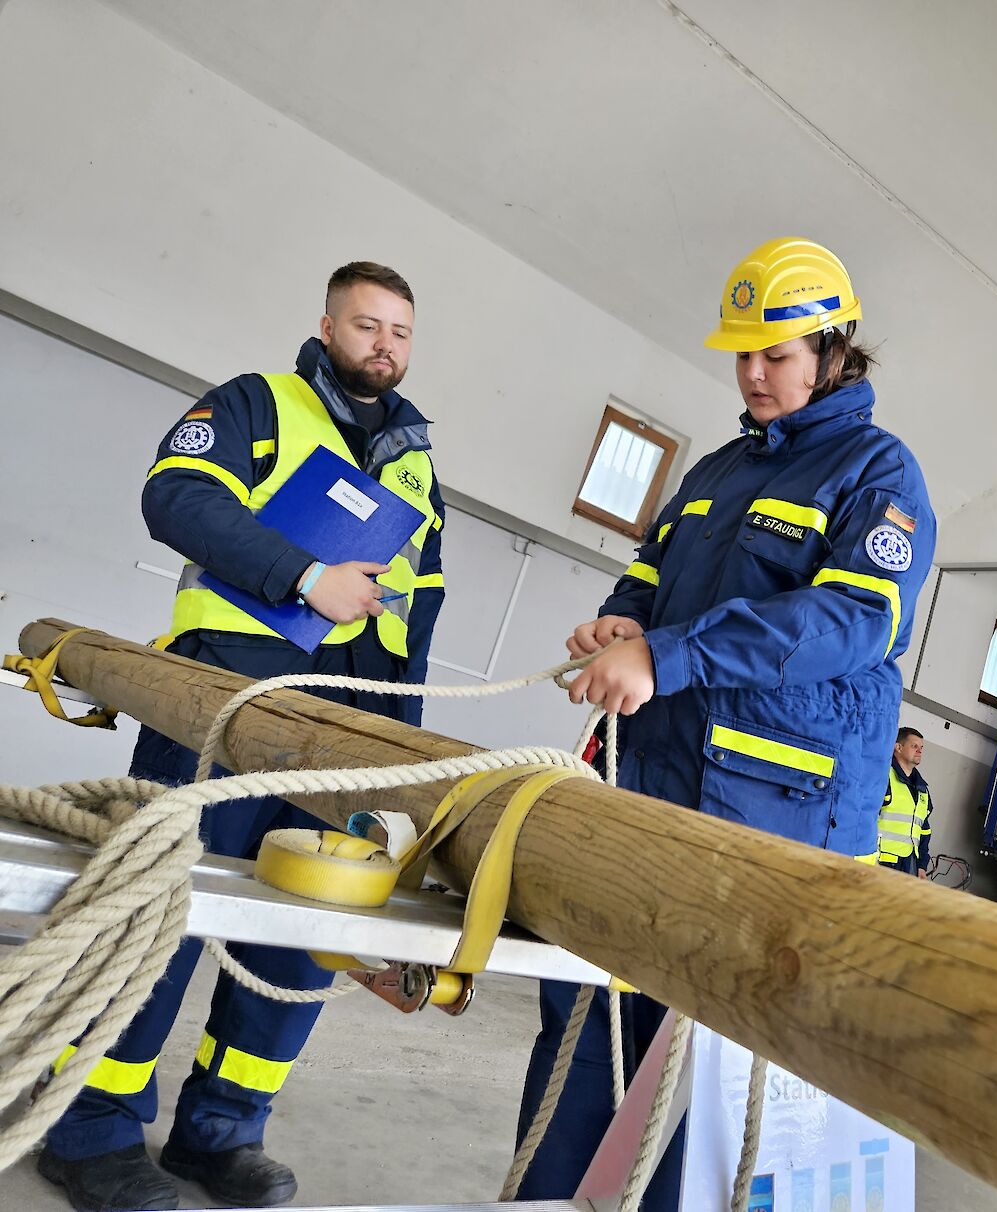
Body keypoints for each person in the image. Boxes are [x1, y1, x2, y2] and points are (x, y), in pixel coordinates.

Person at [513, 238, 936, 1208]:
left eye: (775, 355)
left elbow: (852, 620)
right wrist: (626, 618)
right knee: (582, 1031)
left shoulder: (878, 475)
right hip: (648, 791)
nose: (752, 374)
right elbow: (654, 571)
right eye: (742, 354)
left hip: (762, 823)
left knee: (688, 1084)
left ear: (833, 351)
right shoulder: (718, 470)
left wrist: (666, 655)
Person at [37, 261, 446, 1212]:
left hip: (349, 731)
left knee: (300, 935)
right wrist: (307, 577)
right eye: (366, 325)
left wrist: (403, 764)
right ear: (327, 325)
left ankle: (220, 1135)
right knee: (164, 916)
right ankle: (89, 1128)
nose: (384, 345)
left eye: (401, 332)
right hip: (219, 706)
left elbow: (417, 616)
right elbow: (176, 498)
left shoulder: (422, 463)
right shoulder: (257, 404)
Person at [877, 727, 933, 876]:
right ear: (898, 747)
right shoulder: (883, 778)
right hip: (880, 862)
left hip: (909, 865)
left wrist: (921, 865)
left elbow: (924, 831)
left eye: (921, 747)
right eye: (914, 746)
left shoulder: (922, 790)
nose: (919, 751)